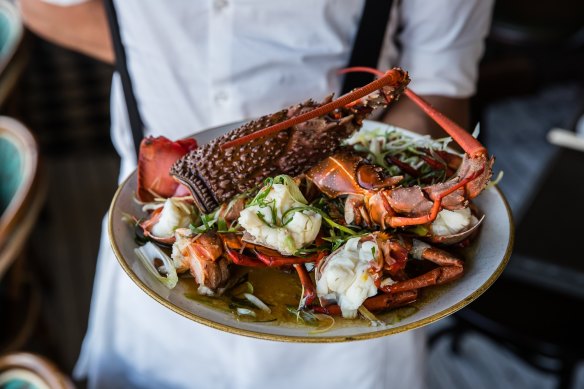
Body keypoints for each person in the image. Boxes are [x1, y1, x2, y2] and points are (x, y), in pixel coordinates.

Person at [20, 1, 494, 388]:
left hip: (350, 348)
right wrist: (171, 55)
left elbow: (440, 80)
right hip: (154, 272)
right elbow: (42, 7)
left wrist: (386, 198)